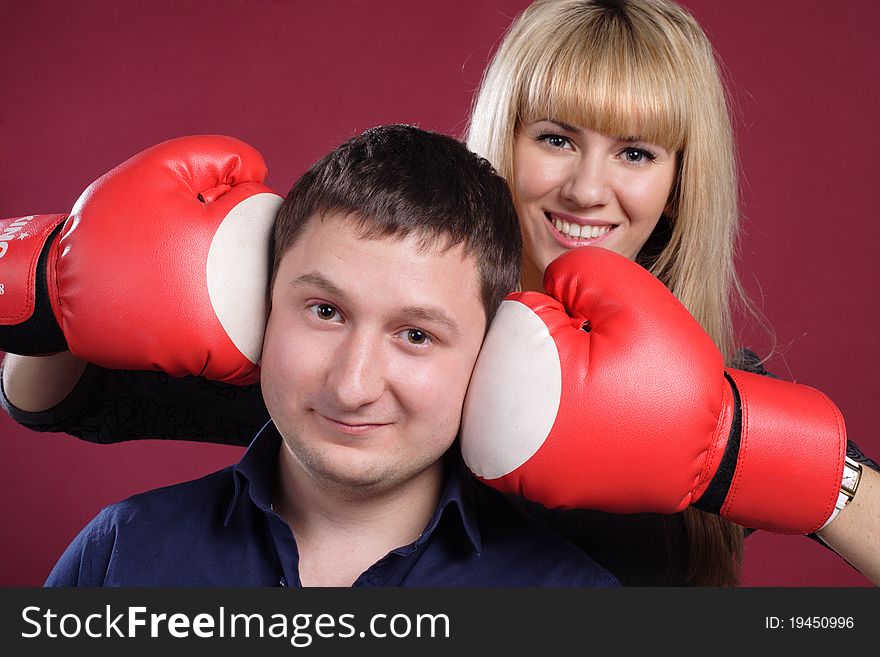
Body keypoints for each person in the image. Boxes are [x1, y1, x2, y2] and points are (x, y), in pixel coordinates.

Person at [3, 0, 878, 587]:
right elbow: (57, 394)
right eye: (556, 137)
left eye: (637, 152)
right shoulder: (367, 342)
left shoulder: (699, 386)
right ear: (507, 135)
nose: (587, 188)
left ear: (680, 182)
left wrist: (738, 448)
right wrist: (57, 273)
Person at [39, 125, 618, 587]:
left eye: (415, 336)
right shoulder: (121, 556)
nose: (352, 385)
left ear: (488, 356)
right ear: (261, 306)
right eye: (325, 311)